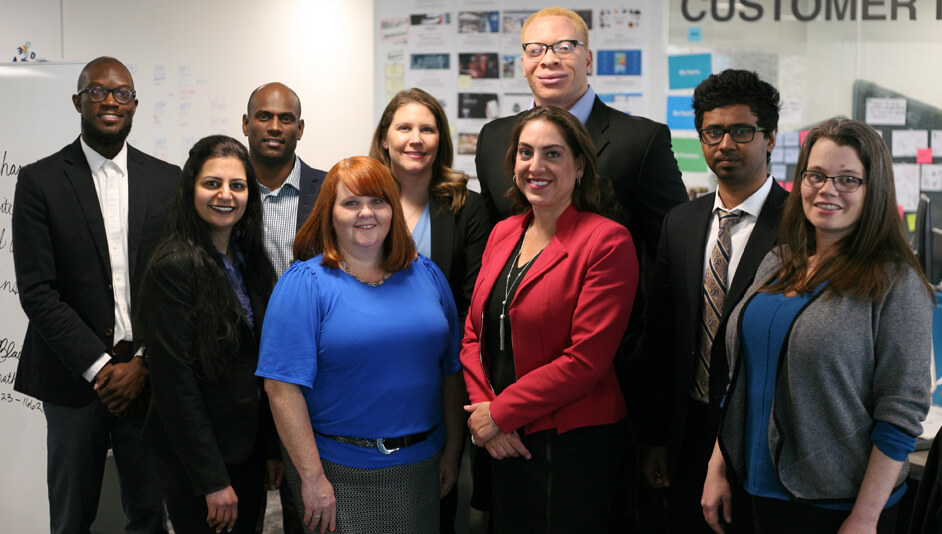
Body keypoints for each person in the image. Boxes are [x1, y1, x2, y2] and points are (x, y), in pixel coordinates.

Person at [702, 118, 934, 534]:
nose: (828, 190)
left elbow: (900, 414)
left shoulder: (896, 283)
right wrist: (718, 465)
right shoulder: (779, 260)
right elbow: (743, 379)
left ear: (873, 190)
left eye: (848, 179)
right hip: (749, 490)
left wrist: (865, 517)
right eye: (817, 175)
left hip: (834, 506)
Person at [11, 56, 178, 534]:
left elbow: (174, 287)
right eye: (97, 91)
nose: (110, 100)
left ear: (135, 104)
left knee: (148, 515)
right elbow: (37, 291)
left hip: (145, 380)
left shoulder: (168, 181)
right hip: (71, 380)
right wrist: (103, 370)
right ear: (77, 101)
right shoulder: (39, 181)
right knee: (71, 518)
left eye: (121, 92)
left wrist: (141, 363)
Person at [256, 156, 463, 534]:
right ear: (329, 213)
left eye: (378, 201)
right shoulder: (305, 283)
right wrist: (313, 480)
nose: (365, 213)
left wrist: (452, 451)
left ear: (392, 210)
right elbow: (281, 390)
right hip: (337, 475)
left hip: (422, 467)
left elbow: (451, 370)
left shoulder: (428, 274)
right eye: (350, 203)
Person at [462, 106, 638, 533]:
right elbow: (473, 334)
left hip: (570, 444)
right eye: (525, 153)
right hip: (502, 439)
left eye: (552, 154)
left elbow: (586, 360)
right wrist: (489, 416)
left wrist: (501, 413)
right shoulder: (505, 232)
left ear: (579, 166)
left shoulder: (607, 241)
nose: (535, 166)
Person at [641, 69, 786, 533]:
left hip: (764, 436)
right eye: (713, 132)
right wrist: (656, 438)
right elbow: (662, 336)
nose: (725, 144)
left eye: (742, 131)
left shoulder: (801, 227)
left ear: (770, 138)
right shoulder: (680, 222)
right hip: (689, 428)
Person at [138, 135, 276, 533]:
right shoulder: (174, 265)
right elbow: (174, 384)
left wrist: (269, 449)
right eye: (212, 183)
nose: (225, 195)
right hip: (198, 461)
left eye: (237, 185)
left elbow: (259, 363)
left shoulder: (249, 259)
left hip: (245, 448)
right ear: (190, 189)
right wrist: (212, 480)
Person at [369, 87, 492, 533]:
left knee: (436, 501)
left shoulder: (466, 206)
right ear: (385, 137)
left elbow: (471, 300)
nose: (415, 138)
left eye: (427, 128)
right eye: (404, 127)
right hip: (367, 375)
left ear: (441, 139)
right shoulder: (360, 200)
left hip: (441, 376)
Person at [242, 81, 326, 534]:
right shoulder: (226, 192)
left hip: (311, 376)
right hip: (239, 371)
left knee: (306, 509)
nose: (274, 126)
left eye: (285, 118)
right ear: (246, 123)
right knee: (240, 508)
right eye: (264, 116)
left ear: (300, 128)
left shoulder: (329, 190)